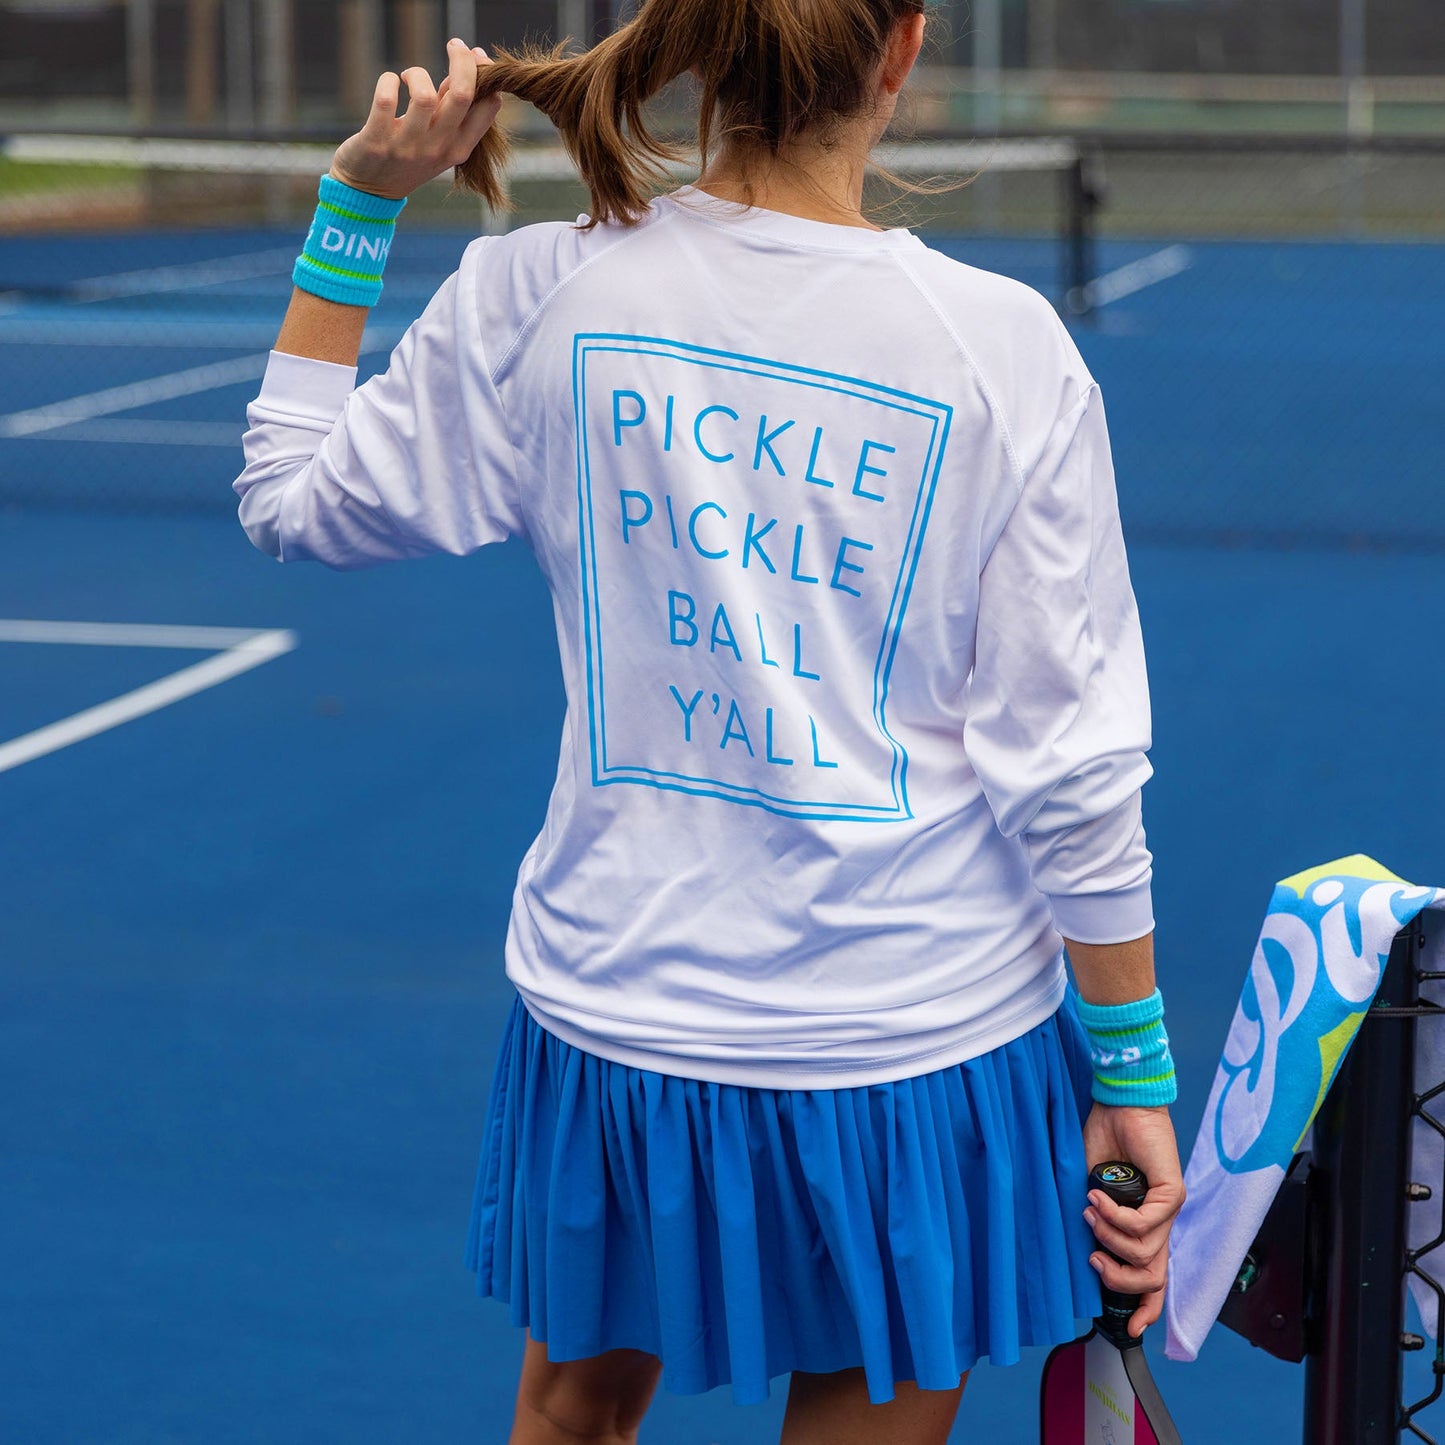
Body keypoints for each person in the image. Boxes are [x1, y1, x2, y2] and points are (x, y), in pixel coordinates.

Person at [235, 3, 1185, 1441]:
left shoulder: (537, 291)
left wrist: (359, 202)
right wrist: (1132, 1073)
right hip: (918, 1048)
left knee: (573, 1414)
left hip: (619, 1023)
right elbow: (1071, 767)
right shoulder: (1005, 349)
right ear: (902, 49)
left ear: (698, 45)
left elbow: (289, 499)